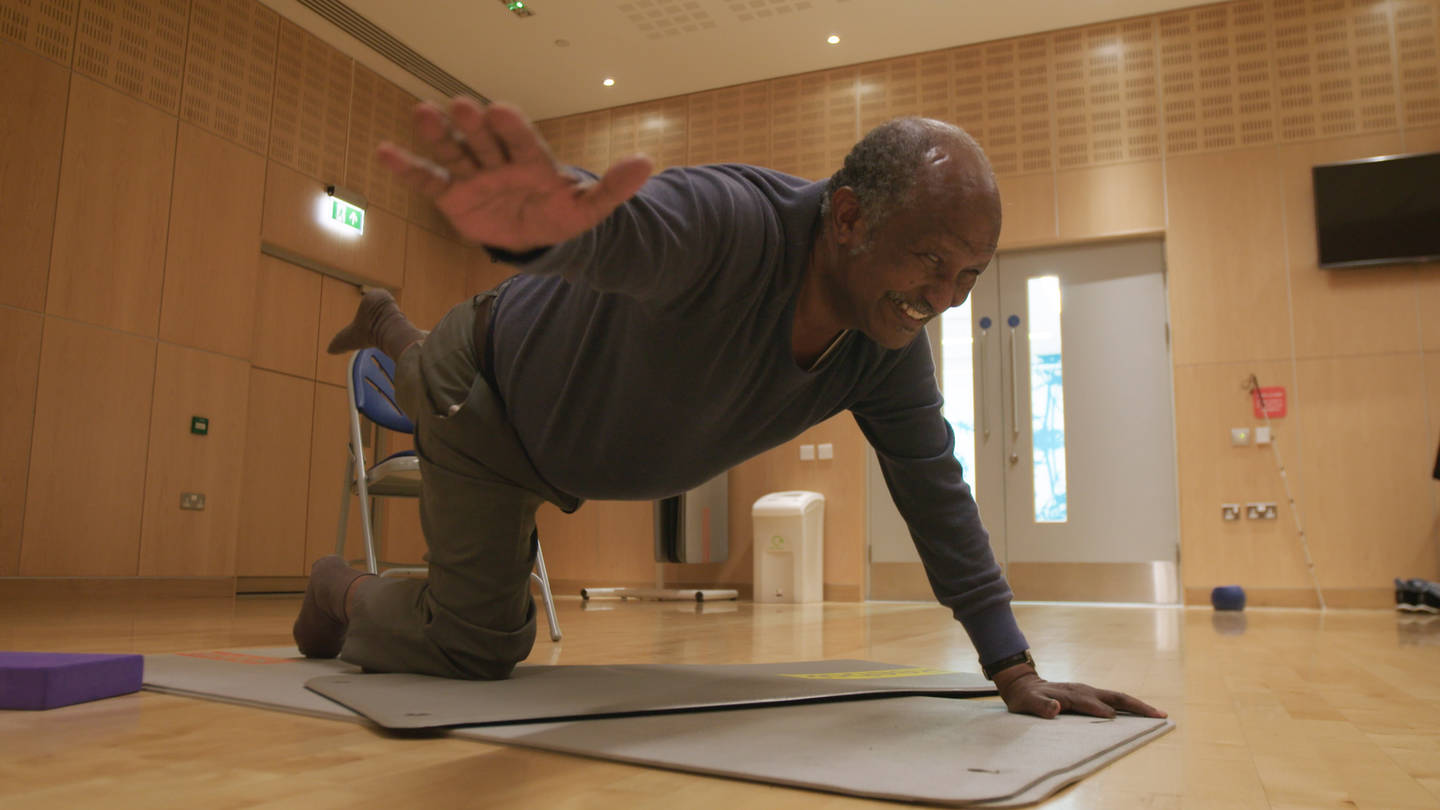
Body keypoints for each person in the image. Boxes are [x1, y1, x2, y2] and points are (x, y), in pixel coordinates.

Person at [293, 96, 1166, 722]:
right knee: (475, 646)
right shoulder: (732, 225)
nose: (942, 297)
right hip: (488, 394)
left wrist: (1011, 665)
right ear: (853, 218)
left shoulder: (884, 346)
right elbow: (626, 229)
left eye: (966, 277)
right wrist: (544, 219)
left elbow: (936, 492)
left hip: (560, 438)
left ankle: (384, 322)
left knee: (431, 423)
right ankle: (341, 587)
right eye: (930, 260)